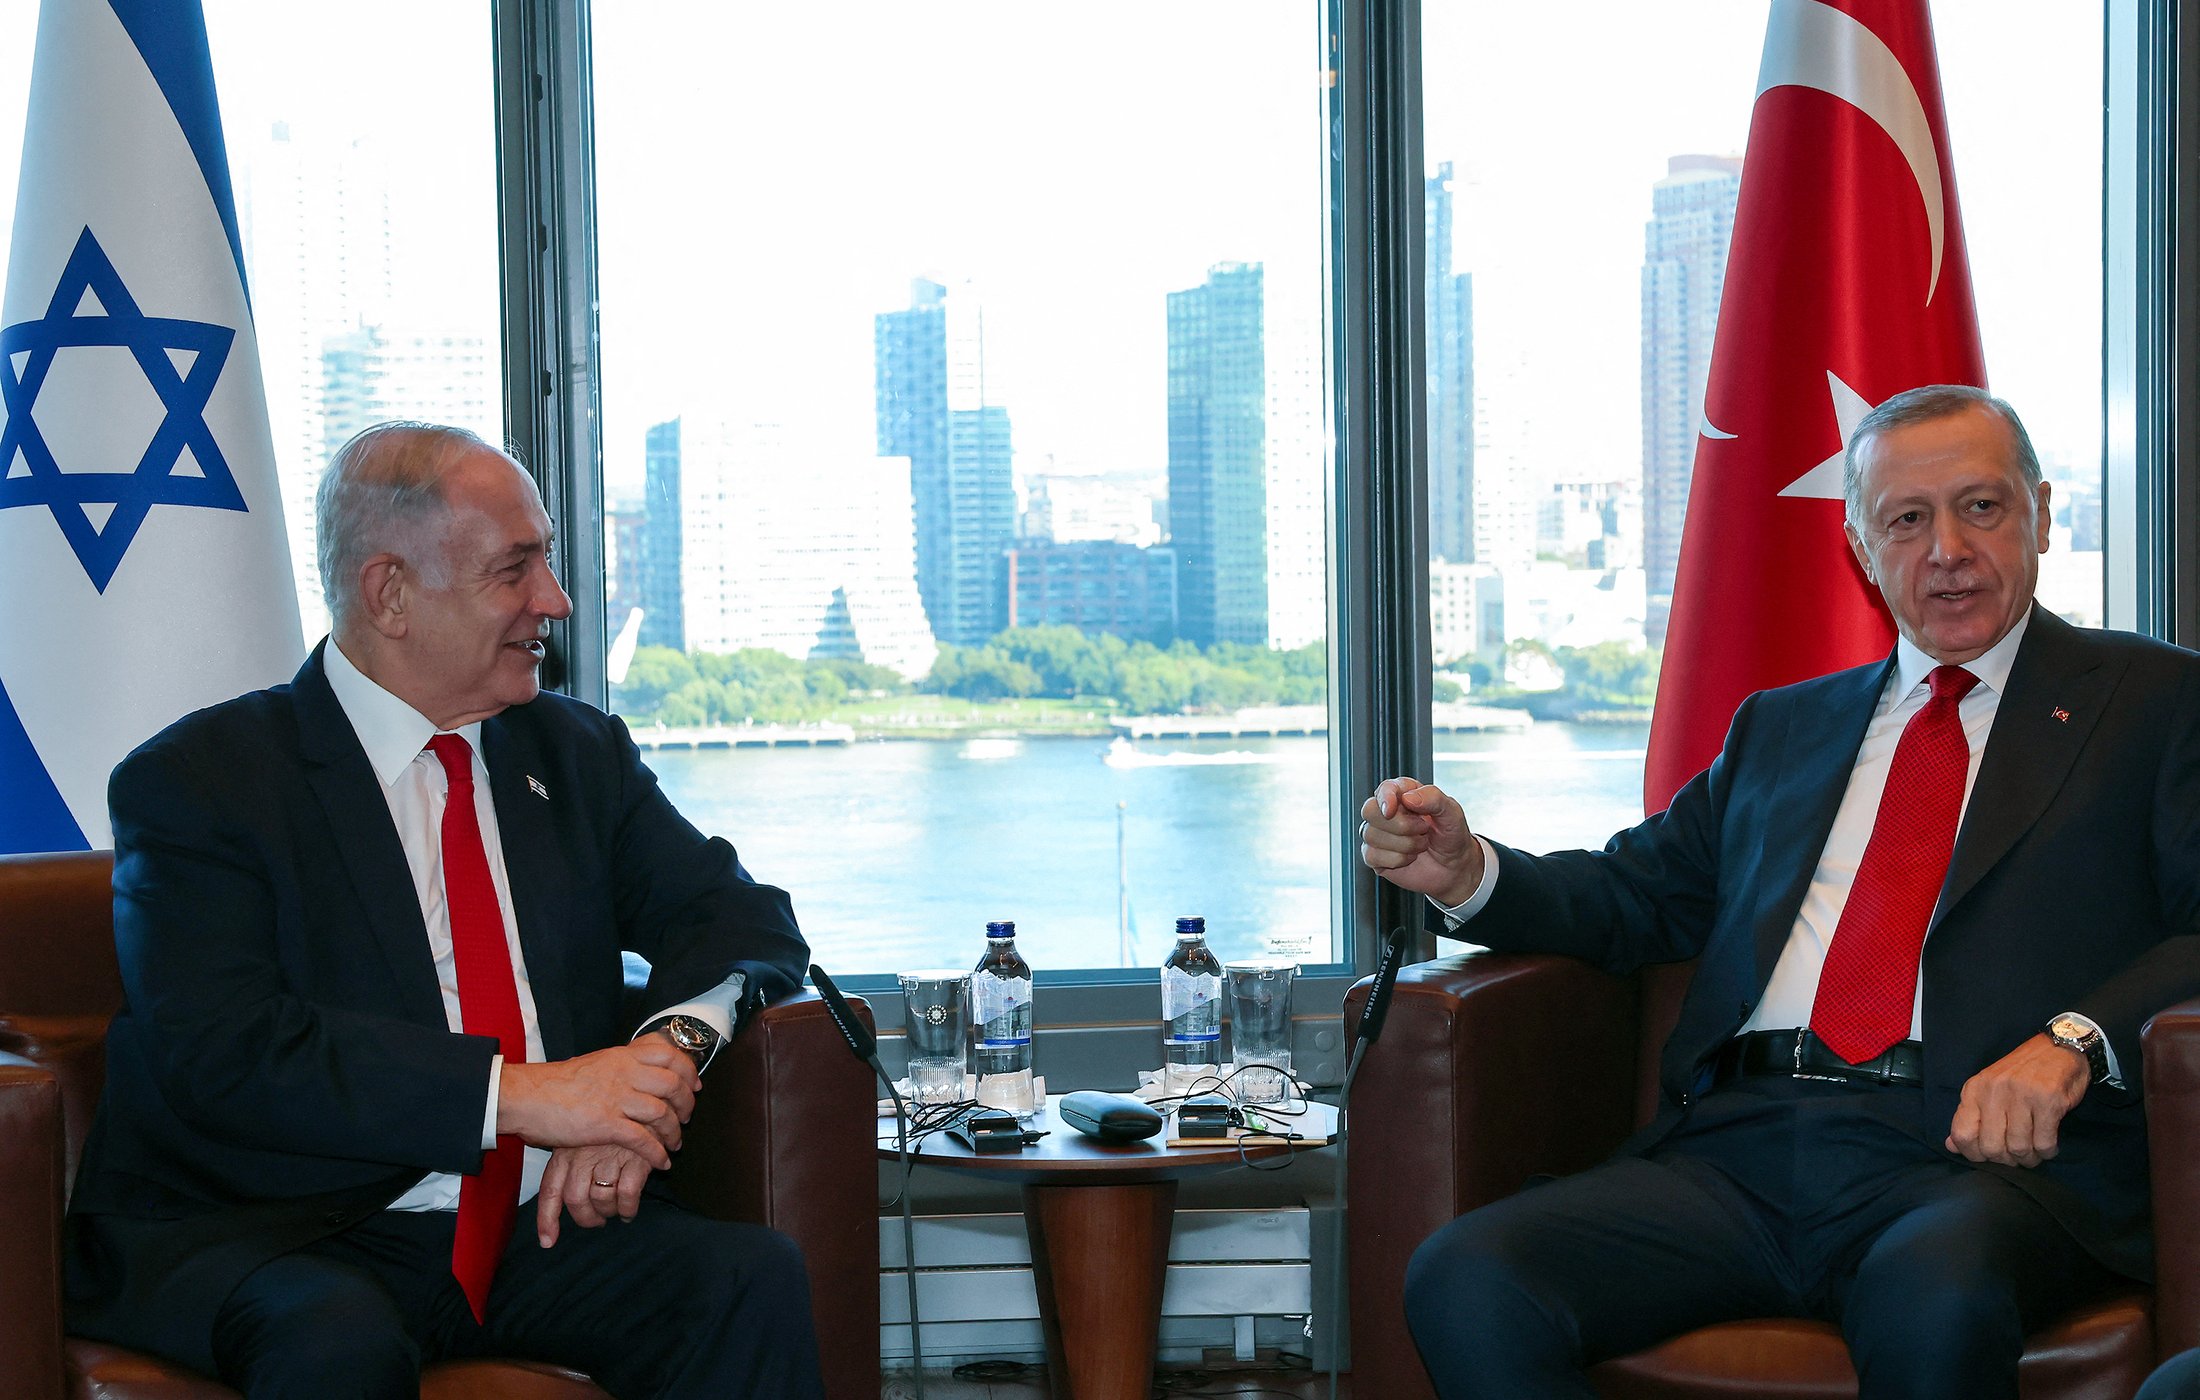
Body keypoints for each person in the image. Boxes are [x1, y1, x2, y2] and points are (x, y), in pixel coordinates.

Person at [1361, 385, 2200, 1399]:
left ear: (2041, 513)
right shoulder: (1782, 726)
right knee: (1467, 1274)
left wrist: (2071, 1039)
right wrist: (1467, 873)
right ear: (1859, 546)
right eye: (1905, 519)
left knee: (1930, 1290)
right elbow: (1638, 895)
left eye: (1980, 507)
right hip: (1741, 1146)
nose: (1945, 547)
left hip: (1976, 1163)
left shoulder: (2154, 702)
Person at [64, 422, 825, 1399]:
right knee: (335, 1343)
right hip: (277, 1226)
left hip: (528, 1216)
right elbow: (226, 1047)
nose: (554, 600)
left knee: (743, 1280)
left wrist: (650, 1073)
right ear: (391, 593)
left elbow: (744, 921)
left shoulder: (574, 754)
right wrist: (530, 1095)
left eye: (545, 561)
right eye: (516, 570)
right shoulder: (201, 782)